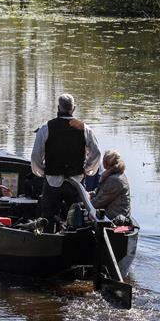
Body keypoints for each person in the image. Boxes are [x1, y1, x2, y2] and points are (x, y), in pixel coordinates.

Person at [31, 93, 101, 229]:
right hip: (76, 181)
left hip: (52, 181)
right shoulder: (84, 128)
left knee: (48, 216)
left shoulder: (46, 128)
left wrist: (42, 171)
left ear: (58, 108)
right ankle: (74, 238)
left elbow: (35, 156)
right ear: (73, 109)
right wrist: (88, 170)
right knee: (77, 217)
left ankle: (48, 237)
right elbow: (96, 153)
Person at [90, 150, 131, 222]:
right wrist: (91, 194)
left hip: (116, 217)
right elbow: (102, 191)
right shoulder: (114, 174)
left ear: (105, 163)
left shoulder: (114, 180)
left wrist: (86, 202)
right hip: (116, 213)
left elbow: (99, 202)